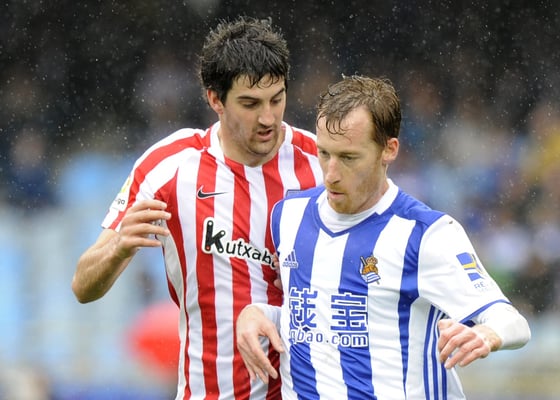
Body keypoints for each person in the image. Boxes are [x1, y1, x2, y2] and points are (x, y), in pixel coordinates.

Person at [71, 16, 323, 400]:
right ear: (215, 99)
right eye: (250, 104)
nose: (268, 117)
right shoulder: (169, 167)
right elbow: (82, 287)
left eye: (277, 99)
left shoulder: (321, 165)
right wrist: (119, 246)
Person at [236, 75, 531, 399]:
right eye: (324, 153)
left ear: (389, 150)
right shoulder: (288, 216)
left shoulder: (427, 235)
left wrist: (486, 334)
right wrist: (259, 313)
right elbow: (316, 313)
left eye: (348, 157)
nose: (330, 174)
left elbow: (511, 321)